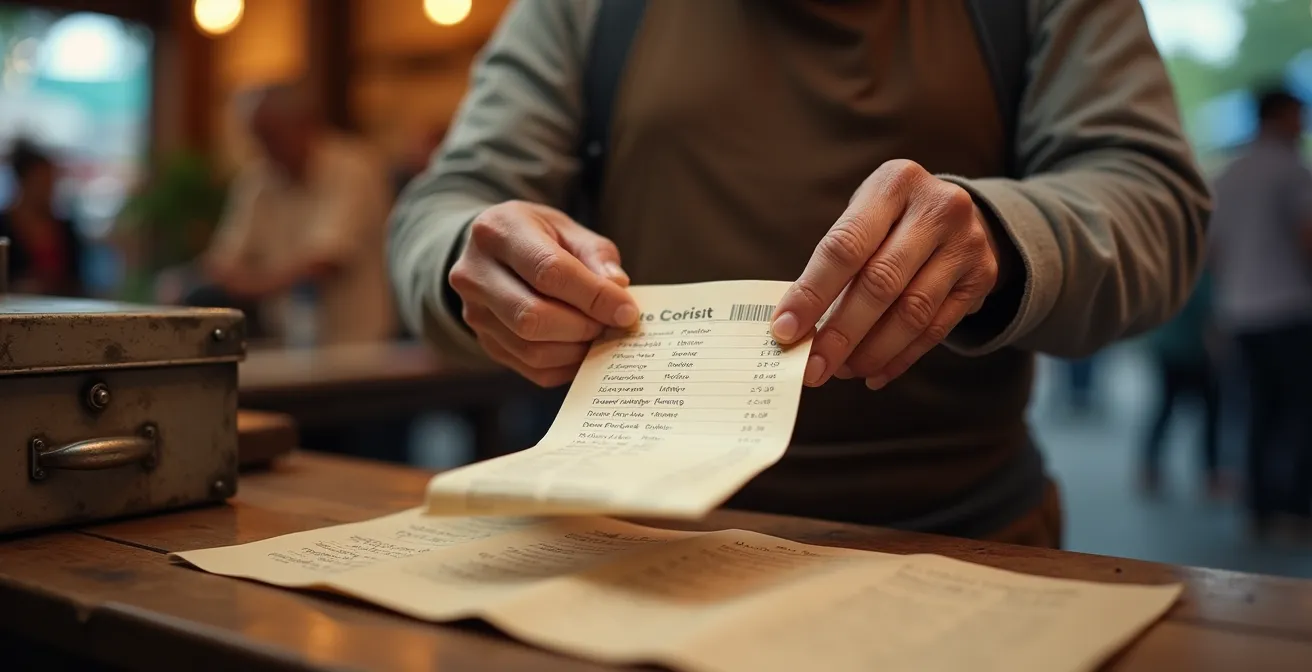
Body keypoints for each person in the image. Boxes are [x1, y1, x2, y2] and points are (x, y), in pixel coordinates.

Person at [389, 0, 1211, 548]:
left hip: (962, 537)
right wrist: (478, 256)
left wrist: (1000, 235)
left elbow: (1156, 202)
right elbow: (446, 206)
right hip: (619, 546)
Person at [200, 83, 397, 346]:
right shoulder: (256, 179)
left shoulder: (353, 169)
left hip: (359, 344)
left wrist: (250, 285)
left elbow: (325, 262)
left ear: (306, 126)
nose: (262, 148)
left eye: (271, 136)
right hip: (287, 341)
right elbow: (223, 261)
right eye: (256, 137)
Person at [1209, 88, 1312, 536]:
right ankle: (1295, 505)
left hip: (1240, 309)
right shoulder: (1292, 171)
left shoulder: (1228, 176)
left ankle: (1259, 507)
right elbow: (1306, 237)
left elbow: (1214, 250)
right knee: (1300, 412)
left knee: (1257, 410)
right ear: (1281, 116)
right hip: (1287, 307)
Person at [1139, 271, 1222, 497]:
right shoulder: (1199, 271)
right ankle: (1211, 473)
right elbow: (1206, 311)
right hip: (1190, 350)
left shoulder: (1176, 266)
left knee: (1166, 408)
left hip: (1168, 345)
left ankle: (1150, 467)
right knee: (1209, 411)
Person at [0, 139, 84, 296]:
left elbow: (78, 278)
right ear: (24, 180)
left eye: (51, 180)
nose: (48, 187)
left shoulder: (65, 227)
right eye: (41, 180)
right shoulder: (4, 226)